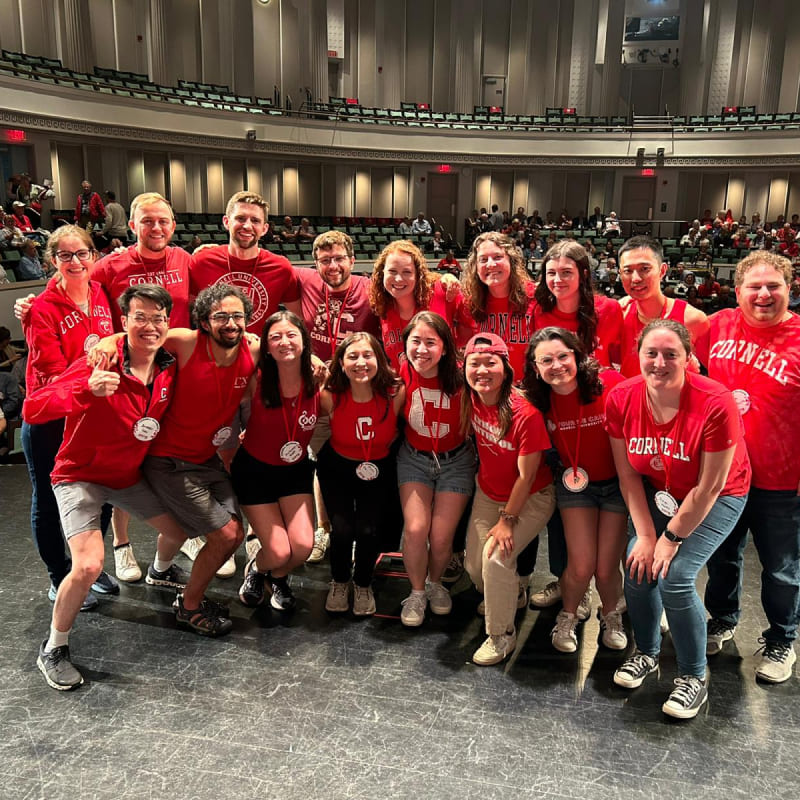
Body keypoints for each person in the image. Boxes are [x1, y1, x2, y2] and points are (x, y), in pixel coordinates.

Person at [26, 285, 187, 690]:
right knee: (88, 566)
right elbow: (34, 406)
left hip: (126, 478)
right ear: (123, 322)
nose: (149, 326)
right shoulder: (100, 362)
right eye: (139, 317)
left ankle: (161, 572)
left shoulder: (169, 365)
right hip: (79, 476)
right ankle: (54, 647)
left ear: (168, 323)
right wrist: (84, 389)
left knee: (181, 528)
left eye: (157, 318)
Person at [606, 319, 750, 719]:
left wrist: (669, 538)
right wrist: (648, 535)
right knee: (637, 563)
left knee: (676, 575)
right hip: (659, 491)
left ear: (689, 358)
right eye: (650, 353)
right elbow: (628, 475)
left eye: (671, 354)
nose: (659, 362)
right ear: (638, 356)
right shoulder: (621, 397)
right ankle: (647, 653)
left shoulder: (715, 401)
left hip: (721, 492)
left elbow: (709, 487)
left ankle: (692, 676)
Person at [699, 251, 800, 682]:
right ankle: (722, 618)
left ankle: (782, 640)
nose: (763, 294)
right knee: (722, 557)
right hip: (726, 473)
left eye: (773, 286)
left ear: (789, 290)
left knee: (781, 567)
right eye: (753, 287)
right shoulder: (718, 324)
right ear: (737, 291)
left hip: (782, 479)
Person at [140, 285, 260, 635]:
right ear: (205, 321)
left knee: (233, 534)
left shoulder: (252, 348)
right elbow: (137, 336)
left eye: (237, 316)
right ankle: (188, 605)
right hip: (169, 460)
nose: (230, 323)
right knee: (226, 536)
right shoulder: (184, 341)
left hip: (207, 458)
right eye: (221, 316)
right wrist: (105, 342)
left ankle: (164, 573)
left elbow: (289, 350)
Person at [21, 225, 118, 610]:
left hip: (94, 417)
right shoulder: (41, 309)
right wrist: (93, 380)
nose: (76, 262)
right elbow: (52, 373)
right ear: (52, 261)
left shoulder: (102, 295)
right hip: (51, 420)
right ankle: (58, 575)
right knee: (48, 499)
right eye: (66, 255)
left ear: (94, 255)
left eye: (82, 253)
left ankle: (87, 568)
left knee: (101, 494)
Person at [524, 328, 627, 652]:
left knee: (607, 566)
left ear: (577, 356)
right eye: (546, 360)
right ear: (536, 367)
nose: (556, 366)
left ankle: (610, 615)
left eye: (563, 356)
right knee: (581, 564)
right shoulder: (538, 400)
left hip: (616, 487)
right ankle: (568, 616)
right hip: (576, 488)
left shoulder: (609, 383)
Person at [462, 333, 555, 665]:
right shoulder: (469, 398)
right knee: (474, 568)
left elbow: (527, 477)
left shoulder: (524, 413)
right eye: (475, 363)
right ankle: (511, 591)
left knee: (496, 559)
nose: (482, 371)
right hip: (489, 492)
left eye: (491, 363)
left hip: (531, 497)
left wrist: (507, 520)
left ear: (506, 367)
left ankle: (501, 635)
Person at [296, 230, 380, 563]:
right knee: (323, 464)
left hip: (359, 391)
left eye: (339, 258)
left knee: (360, 460)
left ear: (352, 260)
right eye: (325, 260)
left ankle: (356, 529)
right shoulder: (303, 280)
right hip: (317, 392)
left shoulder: (370, 288)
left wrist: (445, 275)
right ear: (315, 263)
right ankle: (324, 528)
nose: (333, 266)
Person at [233, 311, 319, 611]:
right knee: (280, 551)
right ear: (266, 347)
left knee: (304, 547)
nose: (285, 342)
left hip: (294, 473)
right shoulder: (255, 380)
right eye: (275, 337)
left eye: (292, 334)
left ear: (304, 341)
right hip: (255, 472)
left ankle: (278, 578)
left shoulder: (318, 380)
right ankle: (258, 570)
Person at [396, 312, 475, 626]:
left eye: (431, 342)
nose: (422, 349)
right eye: (416, 341)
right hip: (414, 458)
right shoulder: (400, 371)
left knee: (442, 537)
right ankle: (416, 593)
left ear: (445, 347)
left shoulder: (461, 375)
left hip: (456, 462)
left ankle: (435, 582)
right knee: (416, 529)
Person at [317, 332, 404, 616]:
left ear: (378, 359)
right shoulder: (329, 395)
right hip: (337, 467)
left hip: (378, 468)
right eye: (352, 357)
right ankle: (340, 581)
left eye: (367, 355)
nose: (361, 363)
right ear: (341, 363)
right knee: (341, 529)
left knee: (368, 530)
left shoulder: (395, 393)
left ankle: (363, 583)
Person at [190, 191, 301, 335]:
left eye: (255, 221)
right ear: (226, 222)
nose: (247, 226)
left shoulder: (281, 268)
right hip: (212, 353)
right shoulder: (201, 261)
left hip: (259, 354)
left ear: (264, 229)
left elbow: (299, 319)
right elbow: (187, 312)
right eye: (240, 218)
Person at [368, 239, 472, 371]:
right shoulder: (381, 305)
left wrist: (450, 348)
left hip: (447, 385)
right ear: (382, 273)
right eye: (392, 271)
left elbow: (471, 326)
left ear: (418, 275)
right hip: (407, 388)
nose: (398, 279)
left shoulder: (441, 291)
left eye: (407, 272)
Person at [617, 236, 709, 376]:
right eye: (628, 271)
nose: (635, 278)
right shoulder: (619, 315)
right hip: (628, 397)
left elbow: (715, 374)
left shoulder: (693, 320)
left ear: (662, 270)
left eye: (644, 269)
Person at [533, 239, 623, 367]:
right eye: (551, 273)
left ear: (584, 274)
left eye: (566, 272)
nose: (558, 280)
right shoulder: (538, 310)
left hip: (598, 385)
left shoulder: (609, 309)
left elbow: (618, 361)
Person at [462, 232, 535, 378]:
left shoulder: (535, 297)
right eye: (483, 259)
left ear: (511, 261)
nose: (490, 264)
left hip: (529, 391)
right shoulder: (469, 304)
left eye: (497, 257)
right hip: (487, 391)